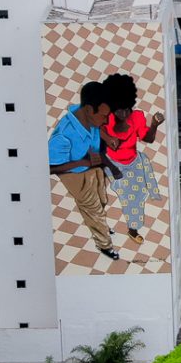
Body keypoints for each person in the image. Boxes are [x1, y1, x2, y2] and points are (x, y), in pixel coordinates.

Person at [49, 81, 123, 260]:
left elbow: (97, 133)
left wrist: (108, 141)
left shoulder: (89, 118)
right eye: (104, 115)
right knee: (93, 209)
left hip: (93, 167)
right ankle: (105, 245)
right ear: (90, 110)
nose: (106, 120)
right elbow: (50, 167)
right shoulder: (63, 136)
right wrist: (82, 162)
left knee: (101, 200)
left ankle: (102, 225)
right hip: (74, 174)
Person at [101, 74, 164, 245]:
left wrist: (154, 125)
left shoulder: (136, 117)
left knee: (137, 196)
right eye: (119, 109)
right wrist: (114, 169)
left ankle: (133, 229)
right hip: (110, 162)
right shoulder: (104, 120)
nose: (124, 113)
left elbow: (148, 138)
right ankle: (101, 227)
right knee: (115, 194)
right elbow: (98, 146)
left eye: (127, 108)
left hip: (134, 161)